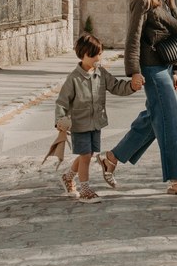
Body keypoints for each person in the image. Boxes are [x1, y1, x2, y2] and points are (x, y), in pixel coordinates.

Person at [96, 0, 177, 196]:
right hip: (151, 70)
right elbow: (133, 39)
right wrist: (133, 72)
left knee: (153, 121)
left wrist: (175, 71)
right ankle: (176, 180)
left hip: (164, 67)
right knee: (173, 123)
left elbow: (171, 38)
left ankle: (111, 158)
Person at [56, 33, 140, 204]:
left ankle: (68, 177)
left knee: (88, 154)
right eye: (93, 54)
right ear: (82, 55)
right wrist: (60, 120)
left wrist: (131, 86)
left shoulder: (101, 73)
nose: (97, 57)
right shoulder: (73, 79)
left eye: (100, 53)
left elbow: (116, 86)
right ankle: (85, 189)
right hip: (79, 124)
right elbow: (62, 101)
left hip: (96, 122)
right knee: (86, 156)